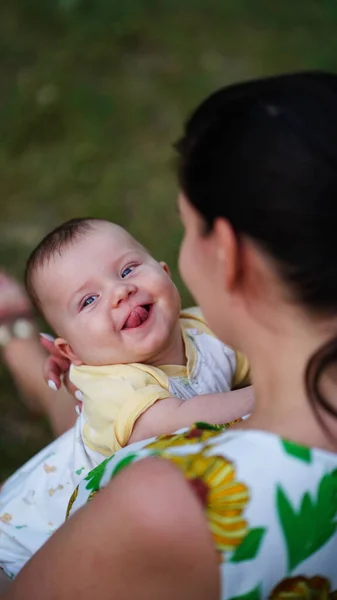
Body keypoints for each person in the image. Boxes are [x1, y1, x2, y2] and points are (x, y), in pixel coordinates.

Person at [2, 70, 337, 599]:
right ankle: (18, 338)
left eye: (185, 229)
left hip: (36, 547)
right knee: (74, 406)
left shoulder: (164, 507)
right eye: (89, 299)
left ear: (226, 254)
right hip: (21, 523)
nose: (119, 292)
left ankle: (13, 332)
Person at [0, 219, 252, 578]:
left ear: (164, 273)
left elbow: (257, 359)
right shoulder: (112, 384)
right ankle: (20, 350)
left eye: (128, 269)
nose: (120, 292)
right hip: (41, 527)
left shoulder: (202, 330)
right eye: (88, 300)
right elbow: (179, 419)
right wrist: (269, 395)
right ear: (72, 352)